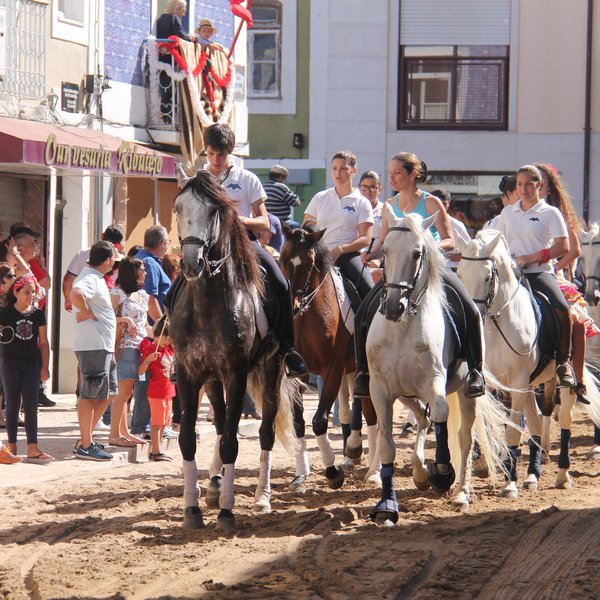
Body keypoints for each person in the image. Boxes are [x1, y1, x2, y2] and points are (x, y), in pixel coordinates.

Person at [353, 152, 486, 400]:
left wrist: (426, 246)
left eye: (397, 173)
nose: (391, 177)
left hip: (433, 270)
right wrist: (372, 253)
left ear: (412, 174)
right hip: (398, 273)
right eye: (390, 172)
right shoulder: (389, 206)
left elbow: (449, 240)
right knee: (362, 313)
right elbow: (383, 241)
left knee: (470, 310)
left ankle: (476, 371)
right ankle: (363, 372)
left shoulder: (431, 202)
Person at [202, 123, 307, 378]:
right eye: (212, 153)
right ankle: (175, 344)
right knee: (177, 287)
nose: (217, 160)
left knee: (281, 284)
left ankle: (289, 350)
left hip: (243, 243)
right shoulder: (200, 179)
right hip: (207, 246)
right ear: (205, 150)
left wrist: (238, 221)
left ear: (230, 152)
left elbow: (264, 222)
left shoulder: (247, 179)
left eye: (222, 154)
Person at [494, 164, 574, 388]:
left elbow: (564, 246)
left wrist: (533, 257)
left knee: (562, 308)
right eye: (520, 184)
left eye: (529, 184)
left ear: (539, 185)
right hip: (511, 274)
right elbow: (498, 239)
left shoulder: (550, 213)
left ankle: (563, 362)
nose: (524, 188)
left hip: (539, 273)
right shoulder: (508, 212)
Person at [535, 162, 597, 403]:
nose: (535, 188)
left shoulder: (555, 214)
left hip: (552, 274)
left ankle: (578, 378)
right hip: (524, 272)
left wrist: (554, 269)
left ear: (548, 189)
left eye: (541, 183)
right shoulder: (518, 212)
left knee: (577, 322)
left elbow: (574, 250)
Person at [70, 241, 123, 461]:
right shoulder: (90, 276)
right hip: (94, 345)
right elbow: (75, 294)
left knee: (109, 392)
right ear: (108, 260)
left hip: (102, 345)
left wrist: (89, 311)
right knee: (89, 395)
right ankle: (85, 444)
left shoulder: (95, 276)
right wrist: (87, 311)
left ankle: (86, 439)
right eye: (114, 259)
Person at [304, 151, 375, 302]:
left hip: (347, 255)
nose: (338, 173)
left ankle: (366, 325)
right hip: (318, 254)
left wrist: (341, 249)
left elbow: (365, 239)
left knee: (369, 291)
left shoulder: (362, 202)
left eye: (343, 168)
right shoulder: (320, 197)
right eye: (334, 168)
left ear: (354, 171)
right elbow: (306, 227)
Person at [0, 275, 51, 463]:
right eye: (27, 292)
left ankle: (33, 447)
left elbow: (44, 343)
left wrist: (45, 366)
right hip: (10, 362)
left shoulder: (37, 314)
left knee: (31, 406)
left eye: (33, 292)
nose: (31, 295)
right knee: (12, 404)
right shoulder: (5, 313)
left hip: (30, 364)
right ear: (16, 292)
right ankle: (11, 447)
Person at [130, 225, 172, 438]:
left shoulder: (143, 258)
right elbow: (151, 299)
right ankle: (142, 426)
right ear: (162, 244)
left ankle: (148, 425)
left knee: (149, 378)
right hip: (151, 331)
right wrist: (161, 328)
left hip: (145, 329)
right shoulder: (150, 264)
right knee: (149, 379)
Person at [109, 257, 150, 447]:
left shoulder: (141, 295)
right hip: (125, 346)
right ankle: (114, 435)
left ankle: (123, 431)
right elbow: (107, 319)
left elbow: (145, 325)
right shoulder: (117, 293)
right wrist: (125, 319)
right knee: (123, 393)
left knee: (127, 393)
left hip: (139, 346)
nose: (145, 272)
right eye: (141, 269)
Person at [62, 224, 125, 313]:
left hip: (84, 305)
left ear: (102, 236)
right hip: (108, 308)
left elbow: (68, 280)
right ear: (118, 244)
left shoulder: (83, 254)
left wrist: (68, 299)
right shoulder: (122, 261)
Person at [138, 317, 176, 461]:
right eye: (165, 337)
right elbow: (140, 371)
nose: (167, 341)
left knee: (163, 423)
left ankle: (158, 449)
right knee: (156, 423)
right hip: (157, 391)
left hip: (168, 391)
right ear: (157, 335)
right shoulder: (150, 349)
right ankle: (155, 451)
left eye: (169, 338)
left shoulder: (168, 349)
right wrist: (148, 360)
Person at [432, 188, 471, 271]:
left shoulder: (457, 225)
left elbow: (470, 252)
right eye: (437, 204)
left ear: (448, 203)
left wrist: (454, 257)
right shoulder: (424, 223)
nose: (441, 207)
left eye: (444, 204)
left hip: (452, 270)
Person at [358, 170, 384, 282]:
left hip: (378, 260)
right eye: (364, 187)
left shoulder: (386, 210)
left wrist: (378, 259)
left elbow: (388, 240)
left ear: (380, 189)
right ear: (359, 188)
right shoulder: (354, 208)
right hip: (357, 257)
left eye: (373, 187)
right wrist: (361, 254)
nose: (368, 191)